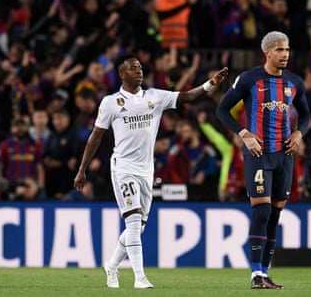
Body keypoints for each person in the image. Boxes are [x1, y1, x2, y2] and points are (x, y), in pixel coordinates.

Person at [73, 53, 228, 289]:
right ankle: (139, 277)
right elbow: (96, 137)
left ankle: (112, 265)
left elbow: (186, 97)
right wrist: (82, 169)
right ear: (122, 74)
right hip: (123, 168)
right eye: (133, 68)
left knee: (139, 227)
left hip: (146, 169)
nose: (139, 71)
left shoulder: (155, 96)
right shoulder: (111, 102)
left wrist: (209, 84)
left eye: (140, 67)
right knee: (134, 222)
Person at [216, 31, 310, 289]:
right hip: (258, 153)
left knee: (275, 214)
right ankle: (255, 274)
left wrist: (300, 133)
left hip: (285, 155)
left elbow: (306, 115)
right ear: (267, 52)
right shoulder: (249, 79)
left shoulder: (294, 82)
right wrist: (244, 133)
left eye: (287, 50)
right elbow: (221, 110)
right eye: (280, 50)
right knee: (262, 210)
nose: (285, 55)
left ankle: (265, 274)